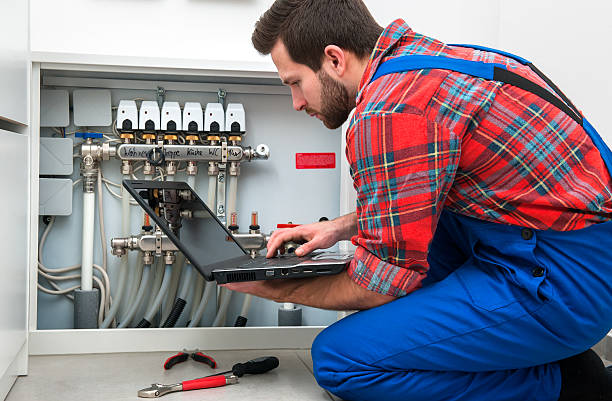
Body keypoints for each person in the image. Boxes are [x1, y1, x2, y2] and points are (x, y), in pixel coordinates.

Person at [222, 1, 612, 400]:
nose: (297, 102)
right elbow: (423, 188)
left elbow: (379, 288)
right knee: (406, 261)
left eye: (294, 82)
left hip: (567, 286)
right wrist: (337, 227)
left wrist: (274, 287)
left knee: (340, 359)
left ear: (334, 59)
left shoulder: (387, 112)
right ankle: (526, 348)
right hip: (575, 252)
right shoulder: (429, 61)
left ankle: (567, 384)